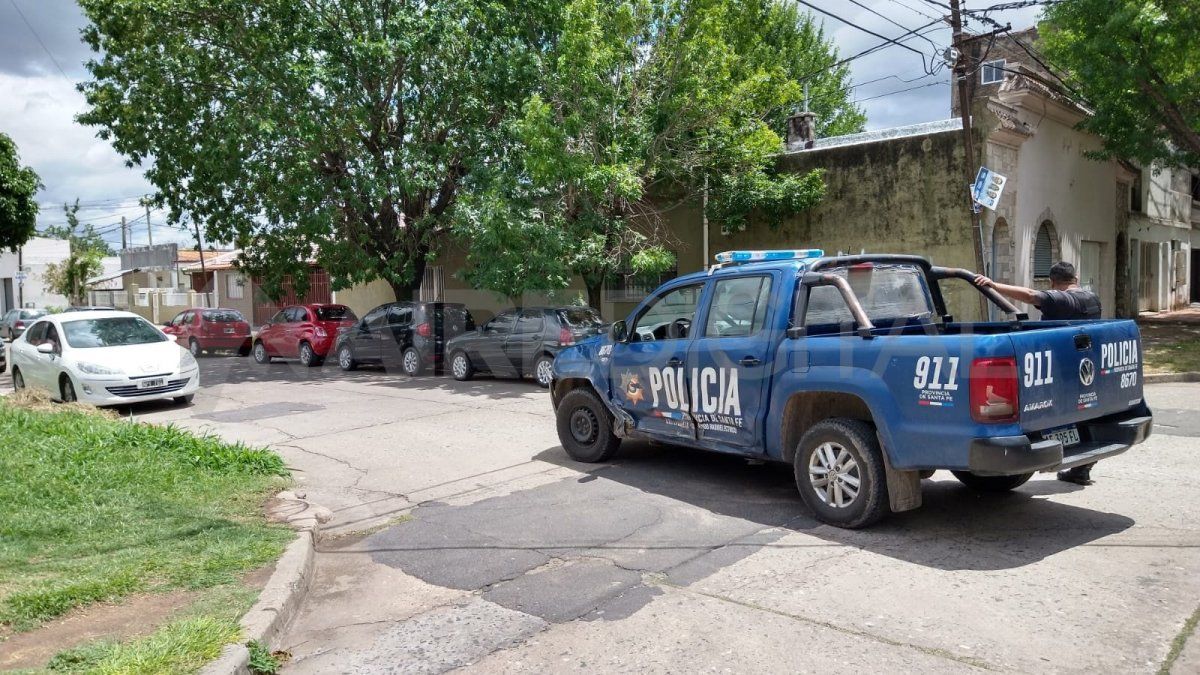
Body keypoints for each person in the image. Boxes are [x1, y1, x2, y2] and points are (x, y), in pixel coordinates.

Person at [973, 261, 1101, 485]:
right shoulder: (1092, 299)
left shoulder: (1061, 298)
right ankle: (1082, 469)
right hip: (1084, 365)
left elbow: (1031, 295)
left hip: (1058, 365)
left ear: (1053, 282)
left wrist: (993, 285)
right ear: (1075, 279)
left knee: (1053, 412)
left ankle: (1054, 456)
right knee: (1082, 413)